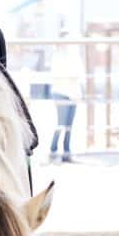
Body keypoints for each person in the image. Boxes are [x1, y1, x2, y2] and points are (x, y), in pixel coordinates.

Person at [49, 32, 85, 163]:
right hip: (61, 92)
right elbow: (60, 74)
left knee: (69, 125)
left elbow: (79, 74)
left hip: (73, 93)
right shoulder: (57, 56)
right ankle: (53, 150)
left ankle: (66, 152)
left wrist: (78, 94)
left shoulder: (74, 55)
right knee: (61, 123)